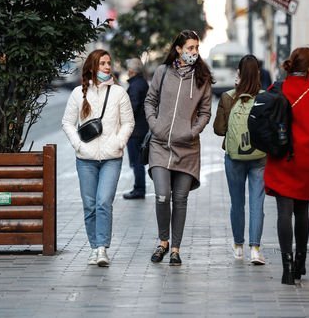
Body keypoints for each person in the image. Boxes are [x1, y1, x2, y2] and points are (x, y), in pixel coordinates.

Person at [264, 47, 309, 285]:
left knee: (284, 212)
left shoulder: (276, 90)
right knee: (302, 211)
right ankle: (300, 263)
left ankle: (286, 267)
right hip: (305, 160)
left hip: (279, 158)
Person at [144, 30, 213, 266]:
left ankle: (175, 249)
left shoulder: (202, 77)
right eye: (190, 48)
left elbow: (205, 112)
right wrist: (154, 125)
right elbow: (150, 100)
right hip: (160, 144)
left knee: (180, 199)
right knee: (163, 196)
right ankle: (162, 242)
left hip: (187, 148)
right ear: (179, 49)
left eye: (196, 48)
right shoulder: (163, 72)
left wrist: (192, 132)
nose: (194, 52)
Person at [62, 49, 134, 267]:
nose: (107, 67)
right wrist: (78, 145)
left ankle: (102, 248)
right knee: (90, 204)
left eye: (108, 63)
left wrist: (118, 143)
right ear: (93, 67)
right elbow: (67, 122)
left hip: (111, 158)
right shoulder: (78, 93)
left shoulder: (119, 93)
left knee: (104, 202)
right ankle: (94, 247)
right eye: (102, 63)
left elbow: (129, 123)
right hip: (86, 159)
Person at [213, 55, 267, 265]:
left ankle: (238, 247)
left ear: (239, 73)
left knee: (237, 203)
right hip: (260, 156)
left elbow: (219, 130)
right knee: (257, 202)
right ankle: (255, 249)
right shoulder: (265, 97)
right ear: (258, 73)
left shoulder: (228, 97)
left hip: (234, 157)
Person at [123, 58, 150, 199]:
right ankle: (139, 188)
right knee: (138, 161)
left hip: (136, 130)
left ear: (132, 71)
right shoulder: (141, 83)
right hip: (141, 127)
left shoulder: (135, 85)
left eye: (128, 69)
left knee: (137, 162)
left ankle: (139, 189)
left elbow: (132, 107)